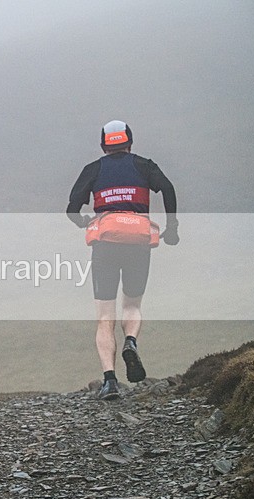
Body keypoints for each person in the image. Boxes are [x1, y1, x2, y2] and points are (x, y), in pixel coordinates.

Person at [66, 120, 178, 400]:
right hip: (139, 244)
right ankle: (131, 341)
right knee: (132, 304)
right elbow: (168, 188)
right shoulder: (144, 165)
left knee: (105, 316)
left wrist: (83, 222)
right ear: (130, 141)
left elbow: (71, 208)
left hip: (105, 245)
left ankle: (109, 382)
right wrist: (172, 227)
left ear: (104, 144)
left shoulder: (93, 170)